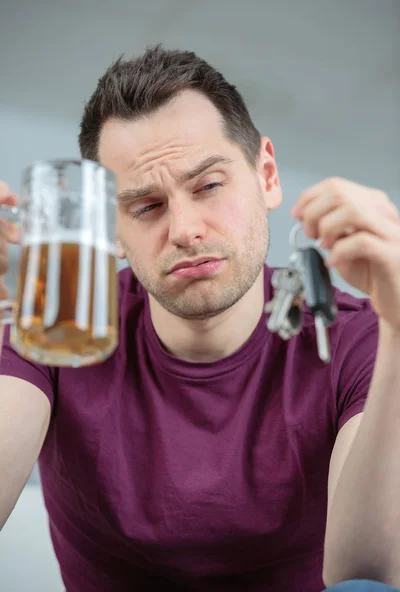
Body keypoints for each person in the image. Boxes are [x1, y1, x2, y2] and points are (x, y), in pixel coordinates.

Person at [0, 45, 399, 592]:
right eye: (146, 207)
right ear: (108, 228)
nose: (186, 229)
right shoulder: (54, 329)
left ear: (267, 175)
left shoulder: (361, 339)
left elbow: (372, 574)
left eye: (209, 186)